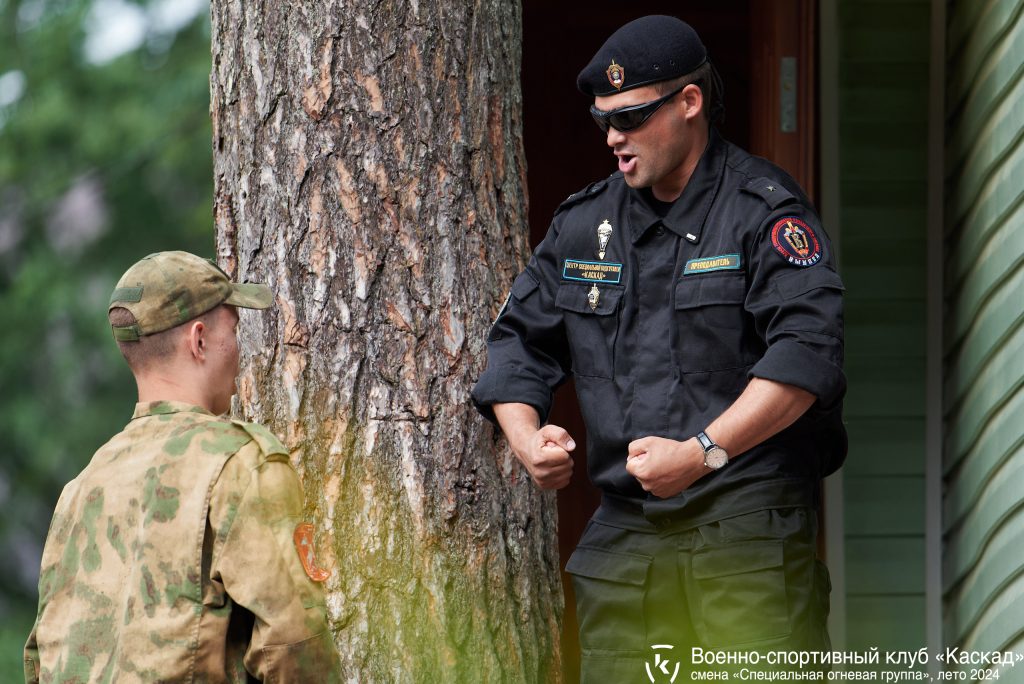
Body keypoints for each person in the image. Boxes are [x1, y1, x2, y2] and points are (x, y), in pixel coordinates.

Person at [472, 15, 846, 681]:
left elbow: (805, 357)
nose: (614, 137)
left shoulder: (764, 212)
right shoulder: (585, 226)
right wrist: (526, 438)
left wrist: (703, 453)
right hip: (629, 539)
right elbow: (518, 344)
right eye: (604, 120)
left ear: (690, 103)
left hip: (745, 525)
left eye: (634, 117)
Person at [24, 251, 342, 683]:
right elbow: (291, 644)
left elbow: (42, 658)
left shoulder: (81, 490)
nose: (239, 347)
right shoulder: (240, 462)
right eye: (234, 329)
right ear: (199, 340)